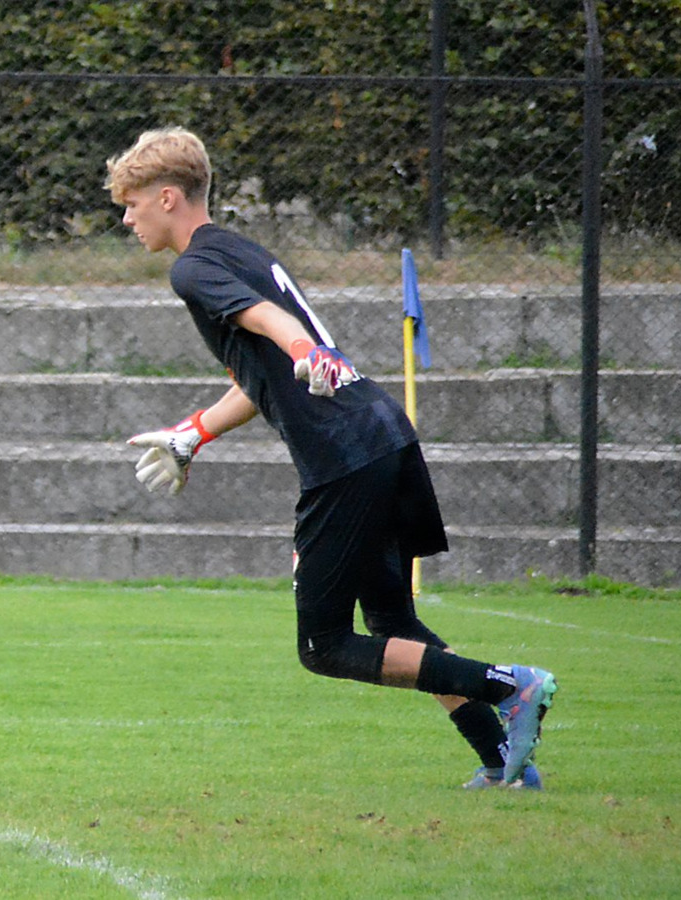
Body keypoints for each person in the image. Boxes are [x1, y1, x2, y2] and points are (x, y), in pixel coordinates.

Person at [105, 126, 557, 788]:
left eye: (132, 204)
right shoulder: (239, 249)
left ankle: (510, 685)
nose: (127, 219)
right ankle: (503, 766)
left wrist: (303, 351)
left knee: (324, 645)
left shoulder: (192, 268)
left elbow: (271, 325)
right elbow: (258, 377)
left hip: (344, 455)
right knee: (392, 620)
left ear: (167, 197)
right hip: (380, 432)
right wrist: (192, 433)